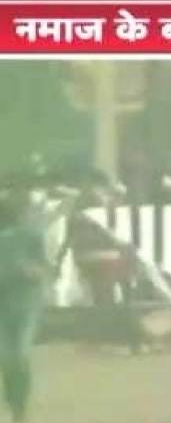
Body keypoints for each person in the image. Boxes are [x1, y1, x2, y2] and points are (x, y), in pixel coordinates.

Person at [0, 176, 77, 422]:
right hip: (8, 300)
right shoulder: (26, 230)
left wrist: (37, 271)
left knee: (18, 355)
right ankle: (16, 403)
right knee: (9, 357)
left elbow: (42, 264)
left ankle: (18, 408)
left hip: (25, 299)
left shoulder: (28, 232)